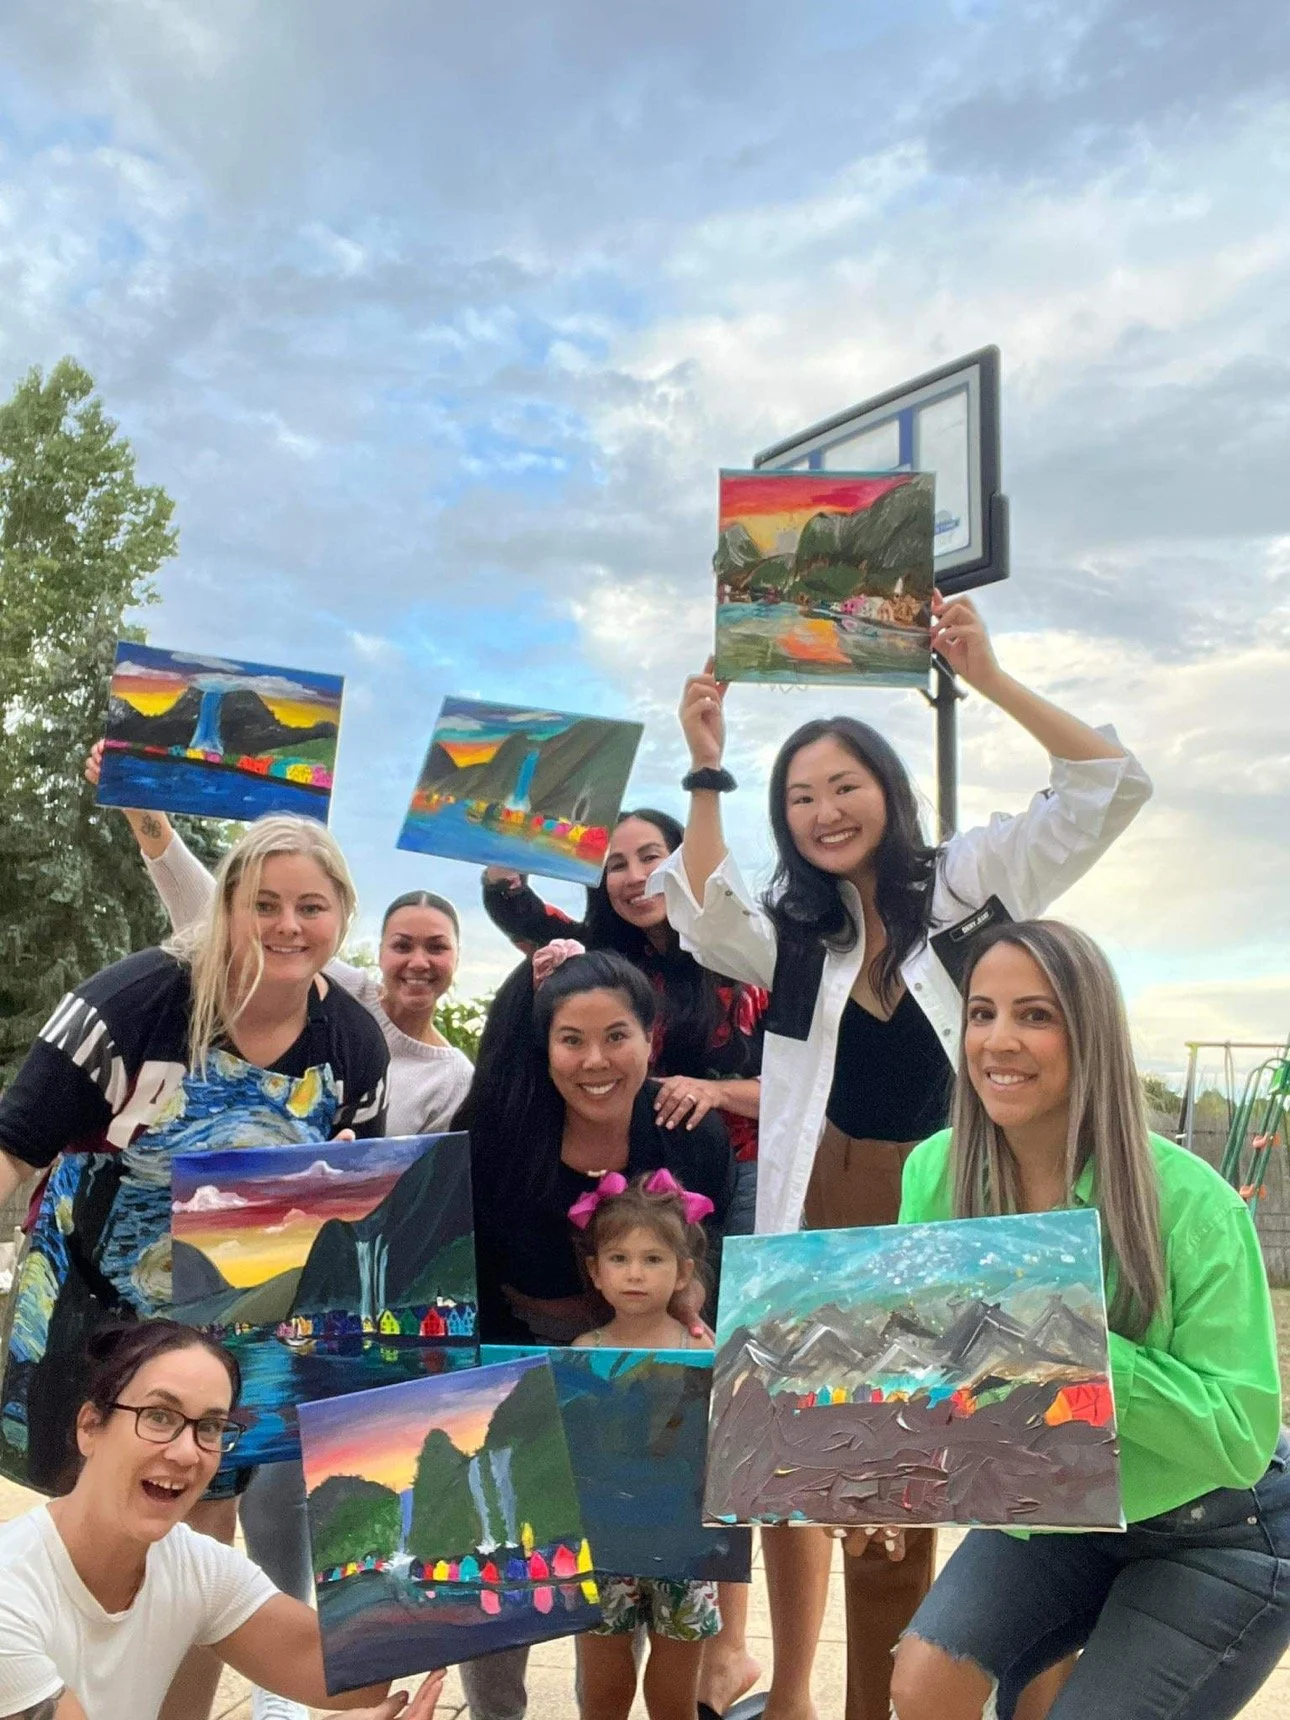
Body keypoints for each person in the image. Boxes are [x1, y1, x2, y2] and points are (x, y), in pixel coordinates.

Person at [649, 594, 1153, 1720]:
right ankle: (797, 1699)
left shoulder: (972, 885)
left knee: (925, 1509)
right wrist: (707, 767)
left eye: (844, 784)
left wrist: (989, 676)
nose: (825, 811)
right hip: (812, 1227)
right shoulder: (791, 928)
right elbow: (696, 909)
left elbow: (1108, 786)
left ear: (889, 789)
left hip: (938, 1229)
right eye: (802, 796)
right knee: (802, 1486)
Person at [0, 815, 389, 1720]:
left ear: (340, 917)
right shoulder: (133, 1003)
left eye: (310, 906)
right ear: (224, 908)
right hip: (88, 1307)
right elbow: (14, 1146)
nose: (287, 926)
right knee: (84, 1524)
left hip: (233, 1323)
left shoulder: (353, 1045)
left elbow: (361, 1204)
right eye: (263, 904)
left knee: (197, 1539)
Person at [889, 919, 1289, 1720]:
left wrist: (1073, 1347)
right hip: (1058, 1505)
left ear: (1091, 1032)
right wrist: (872, 1472)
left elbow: (1243, 1434)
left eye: (1035, 1015)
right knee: (923, 1685)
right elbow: (923, 1350)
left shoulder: (1192, 1204)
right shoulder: (935, 1170)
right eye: (981, 1013)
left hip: (1219, 1522)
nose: (998, 1040)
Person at [452, 946, 736, 1720]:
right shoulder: (502, 1129)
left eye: (617, 1035)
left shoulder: (690, 1135)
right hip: (520, 1347)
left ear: (652, 1038)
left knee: (631, 1553)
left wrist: (683, 1324)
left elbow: (711, 1256)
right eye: (570, 1039)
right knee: (499, 1562)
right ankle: (496, 1713)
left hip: (648, 1356)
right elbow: (454, 1259)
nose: (595, 1060)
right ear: (543, 1047)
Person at [0, 1318, 445, 1720]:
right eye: (158, 1416)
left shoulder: (193, 1566)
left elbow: (348, 1675)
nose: (186, 1452)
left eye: (210, 1427)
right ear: (90, 1427)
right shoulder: (10, 1592)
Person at [84, 743, 472, 1136]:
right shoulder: (330, 982)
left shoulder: (454, 1078)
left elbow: (423, 1183)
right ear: (380, 952)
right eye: (402, 945)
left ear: (459, 958)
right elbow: (208, 915)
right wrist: (142, 811)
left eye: (437, 947)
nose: (419, 962)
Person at [483, 807, 765, 1230]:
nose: (635, 876)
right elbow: (514, 904)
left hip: (741, 1174)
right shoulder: (597, 956)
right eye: (616, 865)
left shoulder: (748, 960)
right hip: (639, 1177)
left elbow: (799, 1090)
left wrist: (715, 1092)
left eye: (651, 858)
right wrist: (530, 811)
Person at [569, 1172, 721, 1720]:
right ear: (596, 1272)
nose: (635, 1273)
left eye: (654, 1259)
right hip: (605, 1547)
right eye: (619, 1259)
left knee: (675, 1696)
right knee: (604, 1691)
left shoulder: (703, 1349)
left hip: (685, 1545)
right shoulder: (583, 1352)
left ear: (683, 1273)